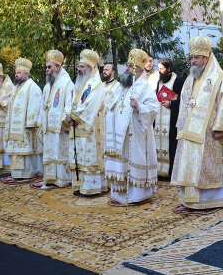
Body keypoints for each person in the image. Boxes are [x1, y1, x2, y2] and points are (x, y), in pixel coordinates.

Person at [171, 36, 223, 214]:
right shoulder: (190, 78)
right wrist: (181, 126)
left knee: (206, 166)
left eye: (197, 57)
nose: (193, 60)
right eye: (192, 57)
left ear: (206, 57)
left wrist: (221, 127)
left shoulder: (219, 78)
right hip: (189, 132)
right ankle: (189, 200)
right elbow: (186, 102)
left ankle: (211, 200)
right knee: (190, 165)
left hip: (209, 133)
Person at [105, 48, 159, 205]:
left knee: (134, 159)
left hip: (135, 134)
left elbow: (154, 109)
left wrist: (139, 107)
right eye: (127, 65)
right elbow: (111, 105)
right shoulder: (121, 87)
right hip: (118, 134)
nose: (127, 69)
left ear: (139, 69)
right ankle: (119, 195)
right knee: (120, 163)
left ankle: (137, 195)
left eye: (131, 66)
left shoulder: (145, 87)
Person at [66, 49, 106, 196]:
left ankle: (92, 188)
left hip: (89, 127)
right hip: (76, 126)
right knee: (78, 155)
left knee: (88, 156)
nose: (79, 69)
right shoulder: (78, 84)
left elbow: (91, 105)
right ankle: (79, 186)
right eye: (79, 66)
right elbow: (71, 102)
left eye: (82, 66)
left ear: (91, 68)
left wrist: (74, 116)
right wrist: (67, 114)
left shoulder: (97, 85)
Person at [38, 50, 74, 189]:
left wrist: (66, 119)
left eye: (50, 67)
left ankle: (63, 179)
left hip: (59, 126)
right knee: (49, 152)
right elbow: (43, 105)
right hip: (48, 125)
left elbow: (70, 104)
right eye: (46, 67)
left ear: (58, 67)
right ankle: (50, 179)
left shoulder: (66, 83)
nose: (47, 70)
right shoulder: (47, 85)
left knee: (60, 152)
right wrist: (40, 120)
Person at [4, 58, 43, 182]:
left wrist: (31, 122)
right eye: (16, 73)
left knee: (25, 150)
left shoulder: (33, 87)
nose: (17, 75)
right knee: (16, 150)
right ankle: (16, 173)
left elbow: (35, 105)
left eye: (19, 73)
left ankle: (28, 172)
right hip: (14, 127)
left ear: (27, 73)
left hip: (25, 127)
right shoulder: (16, 88)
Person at [154, 58, 185, 179]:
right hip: (159, 121)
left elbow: (184, 101)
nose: (159, 71)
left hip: (172, 121)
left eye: (161, 69)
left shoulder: (178, 81)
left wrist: (171, 104)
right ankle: (159, 171)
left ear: (169, 69)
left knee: (172, 146)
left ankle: (171, 173)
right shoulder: (159, 82)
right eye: (159, 69)